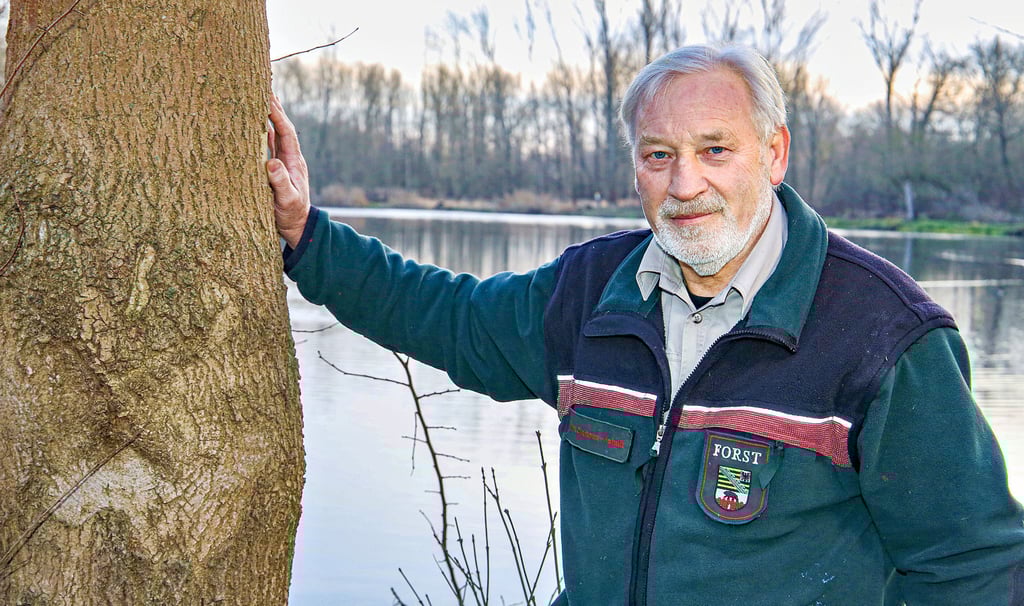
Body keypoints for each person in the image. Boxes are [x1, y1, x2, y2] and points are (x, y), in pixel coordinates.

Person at [266, 44, 1024, 605]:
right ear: (635, 164)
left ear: (774, 153)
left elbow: (974, 568)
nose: (685, 183)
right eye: (659, 154)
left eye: (714, 150)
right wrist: (308, 238)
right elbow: (448, 316)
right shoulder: (590, 294)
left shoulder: (886, 338)